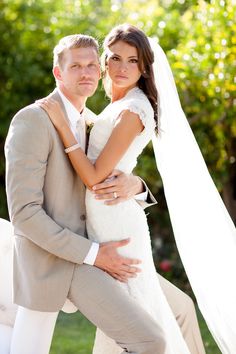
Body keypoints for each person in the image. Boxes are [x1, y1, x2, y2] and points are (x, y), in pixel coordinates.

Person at [3, 29, 205, 354]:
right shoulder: (33, 120)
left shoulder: (93, 120)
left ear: (100, 71)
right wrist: (95, 255)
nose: (86, 72)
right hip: (64, 257)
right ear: (58, 72)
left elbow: (109, 173)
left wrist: (137, 185)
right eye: (75, 66)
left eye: (91, 65)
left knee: (180, 310)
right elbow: (24, 214)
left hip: (109, 241)